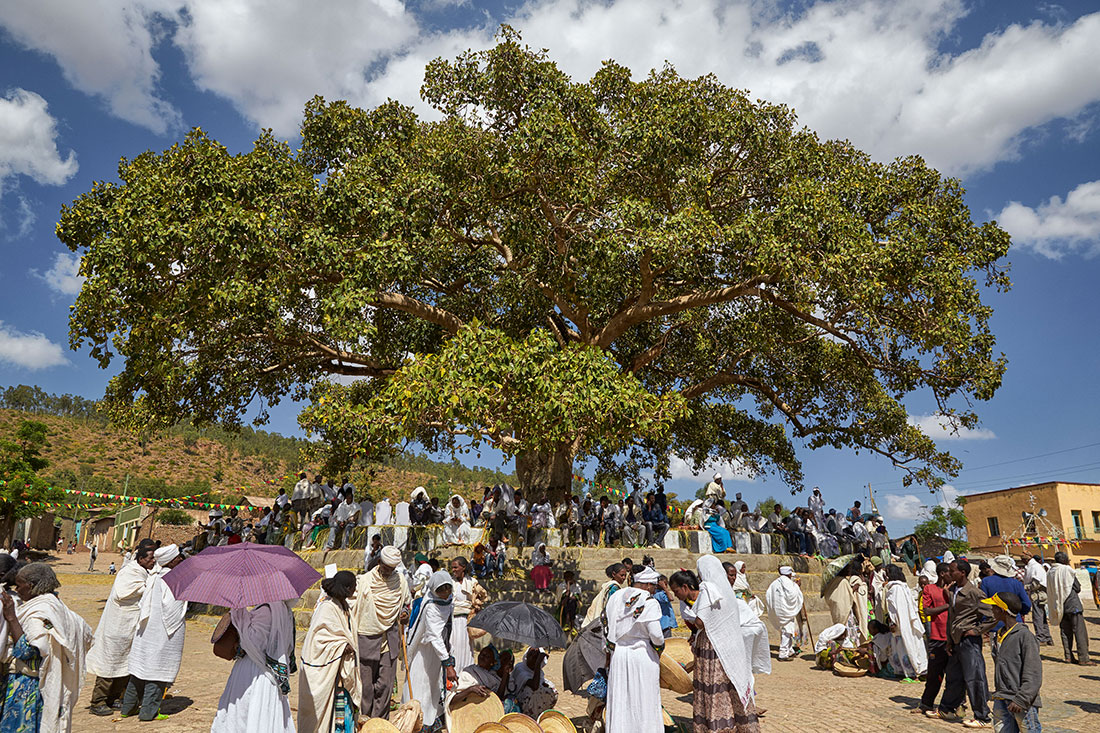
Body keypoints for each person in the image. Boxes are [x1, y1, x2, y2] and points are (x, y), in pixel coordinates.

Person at [0, 563, 93, 733]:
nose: (16, 590)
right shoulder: (58, 607)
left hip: (29, 686)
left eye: (19, 585)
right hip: (48, 683)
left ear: (31, 586)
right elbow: (85, 635)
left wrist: (11, 617)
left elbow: (27, 651)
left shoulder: (39, 613)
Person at [689, 555, 761, 732]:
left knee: (714, 687)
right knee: (730, 687)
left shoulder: (708, 589)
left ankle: (717, 726)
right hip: (730, 646)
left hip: (712, 646)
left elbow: (700, 621)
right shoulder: (728, 590)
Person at [86, 543, 155, 715]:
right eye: (150, 558)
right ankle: (98, 702)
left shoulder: (145, 573)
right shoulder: (129, 572)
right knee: (110, 664)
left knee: (125, 665)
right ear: (140, 559)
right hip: (117, 626)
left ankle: (114, 698)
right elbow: (122, 593)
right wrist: (147, 587)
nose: (153, 561)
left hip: (131, 627)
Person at [122, 544, 187, 721]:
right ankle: (148, 712)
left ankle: (128, 707)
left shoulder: (154, 577)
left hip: (146, 632)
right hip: (162, 633)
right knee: (158, 671)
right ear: (171, 561)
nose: (180, 560)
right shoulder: (173, 579)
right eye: (178, 557)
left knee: (140, 670)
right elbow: (174, 609)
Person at [211, 599, 297, 732]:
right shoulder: (285, 612)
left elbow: (254, 642)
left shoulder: (266, 611)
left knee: (247, 712)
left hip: (255, 672)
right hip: (269, 673)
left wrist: (240, 616)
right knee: (265, 712)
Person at [929, 558, 993, 727]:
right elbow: (951, 617)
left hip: (969, 641)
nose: (949, 574)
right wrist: (949, 640)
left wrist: (976, 630)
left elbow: (992, 615)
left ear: (962, 573)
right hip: (956, 640)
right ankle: (947, 709)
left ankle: (982, 716)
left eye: (952, 571)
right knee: (954, 676)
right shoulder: (953, 591)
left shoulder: (974, 593)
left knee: (974, 677)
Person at [603, 566, 664, 733]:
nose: (654, 590)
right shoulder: (648, 602)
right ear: (647, 585)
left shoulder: (616, 597)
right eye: (654, 586)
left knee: (621, 699)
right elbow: (656, 635)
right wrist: (659, 648)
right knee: (644, 699)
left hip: (619, 655)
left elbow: (606, 627)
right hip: (642, 656)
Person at [300, 570, 362, 733]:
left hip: (340, 672)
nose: (355, 589)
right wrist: (341, 646)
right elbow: (318, 641)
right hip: (327, 670)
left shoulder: (344, 606)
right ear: (347, 588)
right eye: (354, 586)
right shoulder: (327, 608)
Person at [353, 546, 411, 719]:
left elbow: (407, 603)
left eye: (392, 569)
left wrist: (405, 613)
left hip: (389, 640)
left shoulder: (400, 581)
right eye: (386, 568)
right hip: (367, 638)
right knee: (366, 687)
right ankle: (364, 721)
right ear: (379, 562)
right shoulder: (364, 581)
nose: (389, 572)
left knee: (385, 685)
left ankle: (380, 722)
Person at [404, 571, 459, 730]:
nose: (446, 592)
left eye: (448, 588)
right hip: (425, 652)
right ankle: (416, 721)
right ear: (434, 589)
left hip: (438, 653)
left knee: (433, 687)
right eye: (441, 589)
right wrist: (448, 664)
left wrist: (447, 654)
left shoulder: (448, 601)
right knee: (421, 685)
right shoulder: (430, 606)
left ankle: (431, 721)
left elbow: (445, 631)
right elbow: (434, 636)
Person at [982, 592, 1043, 733]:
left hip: (1021, 701)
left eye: (994, 607)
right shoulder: (998, 635)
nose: (992, 610)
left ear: (1002, 610)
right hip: (1002, 697)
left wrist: (1022, 699)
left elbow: (1033, 672)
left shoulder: (1025, 637)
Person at [980, 556, 1032, 655]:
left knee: (998, 656)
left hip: (994, 624)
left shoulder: (986, 582)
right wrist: (1019, 613)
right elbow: (1026, 604)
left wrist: (984, 621)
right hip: (1015, 623)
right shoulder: (1016, 583)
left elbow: (983, 604)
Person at [883, 564, 927, 680]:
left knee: (906, 646)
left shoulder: (896, 589)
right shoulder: (900, 587)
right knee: (901, 647)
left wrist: (894, 622)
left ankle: (912, 672)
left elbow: (899, 609)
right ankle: (903, 671)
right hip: (901, 623)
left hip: (901, 623)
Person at [1046, 551, 1091, 665]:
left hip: (1059, 605)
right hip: (1073, 604)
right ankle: (1083, 658)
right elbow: (1077, 587)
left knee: (1065, 632)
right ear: (1064, 560)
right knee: (1079, 632)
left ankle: (1068, 656)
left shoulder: (1050, 571)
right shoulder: (1067, 570)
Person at [919, 562, 952, 714]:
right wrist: (947, 606)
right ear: (942, 574)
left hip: (952, 637)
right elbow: (927, 611)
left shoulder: (954, 589)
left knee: (954, 675)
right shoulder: (929, 589)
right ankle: (926, 703)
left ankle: (954, 704)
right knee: (934, 674)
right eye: (950, 572)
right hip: (937, 636)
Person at [449, 557, 488, 675]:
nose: (453, 570)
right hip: (453, 621)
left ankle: (465, 675)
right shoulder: (450, 582)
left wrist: (476, 606)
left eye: (456, 567)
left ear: (463, 568)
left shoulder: (472, 582)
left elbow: (483, 596)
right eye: (452, 568)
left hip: (466, 621)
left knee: (465, 648)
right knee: (453, 647)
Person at [823, 558, 870, 645]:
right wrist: (854, 588)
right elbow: (847, 596)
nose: (849, 570)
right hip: (846, 612)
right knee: (847, 632)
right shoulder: (843, 581)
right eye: (847, 568)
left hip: (838, 610)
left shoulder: (833, 582)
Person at [505, 647, 558, 718]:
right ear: (526, 655)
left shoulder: (538, 671)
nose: (532, 657)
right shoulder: (520, 668)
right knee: (530, 691)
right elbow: (534, 686)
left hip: (535, 704)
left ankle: (540, 714)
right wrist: (537, 664)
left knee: (552, 690)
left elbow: (540, 682)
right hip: (519, 699)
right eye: (530, 654)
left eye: (536, 656)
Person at [766, 566, 804, 661]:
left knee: (786, 631)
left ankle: (789, 650)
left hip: (778, 612)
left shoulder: (774, 583)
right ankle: (783, 654)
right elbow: (792, 595)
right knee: (787, 631)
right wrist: (797, 586)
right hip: (787, 612)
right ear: (789, 574)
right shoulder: (789, 583)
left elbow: (768, 595)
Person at [1021, 555, 1051, 645]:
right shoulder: (1035, 566)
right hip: (1039, 594)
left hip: (1037, 595)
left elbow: (1035, 584)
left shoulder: (1035, 567)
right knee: (1042, 616)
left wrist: (1024, 587)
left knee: (1037, 617)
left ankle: (1041, 637)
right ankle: (1047, 637)